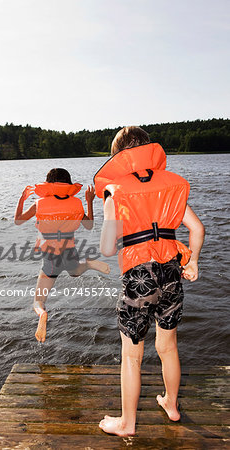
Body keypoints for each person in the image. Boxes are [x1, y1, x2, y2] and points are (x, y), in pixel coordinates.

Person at [94, 126, 205, 436]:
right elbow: (197, 229)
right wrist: (193, 261)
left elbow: (106, 247)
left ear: (118, 156)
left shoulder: (115, 191)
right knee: (168, 346)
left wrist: (107, 206)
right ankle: (171, 405)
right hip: (171, 272)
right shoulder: (171, 187)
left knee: (132, 354)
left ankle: (127, 423)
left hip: (138, 277)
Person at [14, 168, 110, 343]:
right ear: (68, 184)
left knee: (38, 301)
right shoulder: (76, 203)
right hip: (69, 251)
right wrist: (89, 201)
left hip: (50, 257)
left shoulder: (40, 203)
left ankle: (42, 313)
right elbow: (88, 226)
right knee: (75, 272)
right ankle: (88, 264)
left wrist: (22, 199)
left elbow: (18, 220)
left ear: (49, 185)